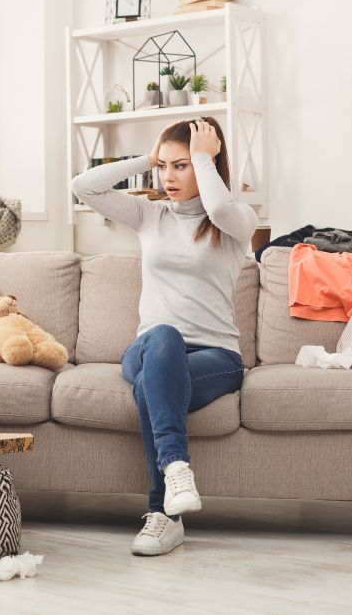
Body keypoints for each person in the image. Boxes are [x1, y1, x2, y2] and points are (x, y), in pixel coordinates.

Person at [70, 117, 257, 556]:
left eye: (182, 166)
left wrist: (203, 159)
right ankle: (176, 469)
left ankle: (163, 515)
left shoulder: (235, 224)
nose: (167, 178)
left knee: (154, 389)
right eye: (163, 167)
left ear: (207, 166)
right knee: (164, 339)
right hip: (150, 345)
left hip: (216, 356)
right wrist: (145, 157)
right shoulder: (148, 214)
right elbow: (83, 186)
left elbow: (222, 209)